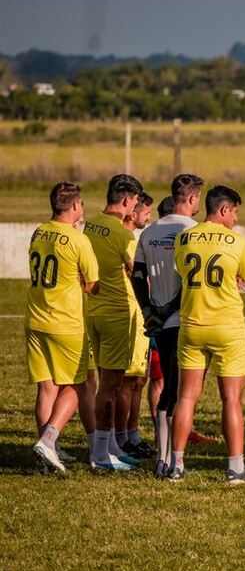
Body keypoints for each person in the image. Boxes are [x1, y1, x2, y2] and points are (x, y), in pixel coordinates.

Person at [169, 185, 245, 484]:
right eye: (235, 212)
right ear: (224, 210)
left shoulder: (185, 237)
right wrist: (234, 283)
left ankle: (176, 466)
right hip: (227, 326)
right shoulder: (235, 241)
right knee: (231, 400)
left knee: (186, 397)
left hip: (192, 324)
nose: (235, 218)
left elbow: (181, 272)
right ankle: (235, 469)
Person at [131, 175, 213, 477]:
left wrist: (149, 309)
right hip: (185, 320)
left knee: (167, 390)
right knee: (181, 394)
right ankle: (173, 461)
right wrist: (168, 309)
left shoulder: (149, 232)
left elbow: (137, 276)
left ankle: (162, 459)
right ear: (192, 199)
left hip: (159, 323)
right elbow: (194, 282)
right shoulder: (193, 231)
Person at [27, 182, 100, 474]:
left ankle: (47, 452)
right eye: (81, 204)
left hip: (35, 319)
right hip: (65, 322)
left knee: (46, 387)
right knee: (76, 384)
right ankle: (48, 439)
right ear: (73, 207)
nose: (82, 209)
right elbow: (93, 286)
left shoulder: (38, 231)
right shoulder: (78, 240)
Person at [84, 173, 145, 471]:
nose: (134, 208)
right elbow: (137, 271)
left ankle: (109, 447)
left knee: (106, 381)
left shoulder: (91, 223)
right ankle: (100, 455)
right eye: (134, 202)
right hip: (117, 314)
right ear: (125, 200)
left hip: (93, 312)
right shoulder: (123, 235)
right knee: (110, 385)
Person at [119, 192, 155, 460]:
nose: (148, 217)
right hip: (130, 314)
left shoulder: (135, 240)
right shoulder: (127, 241)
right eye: (145, 213)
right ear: (133, 212)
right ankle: (121, 438)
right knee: (127, 381)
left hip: (141, 316)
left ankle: (132, 433)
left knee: (139, 380)